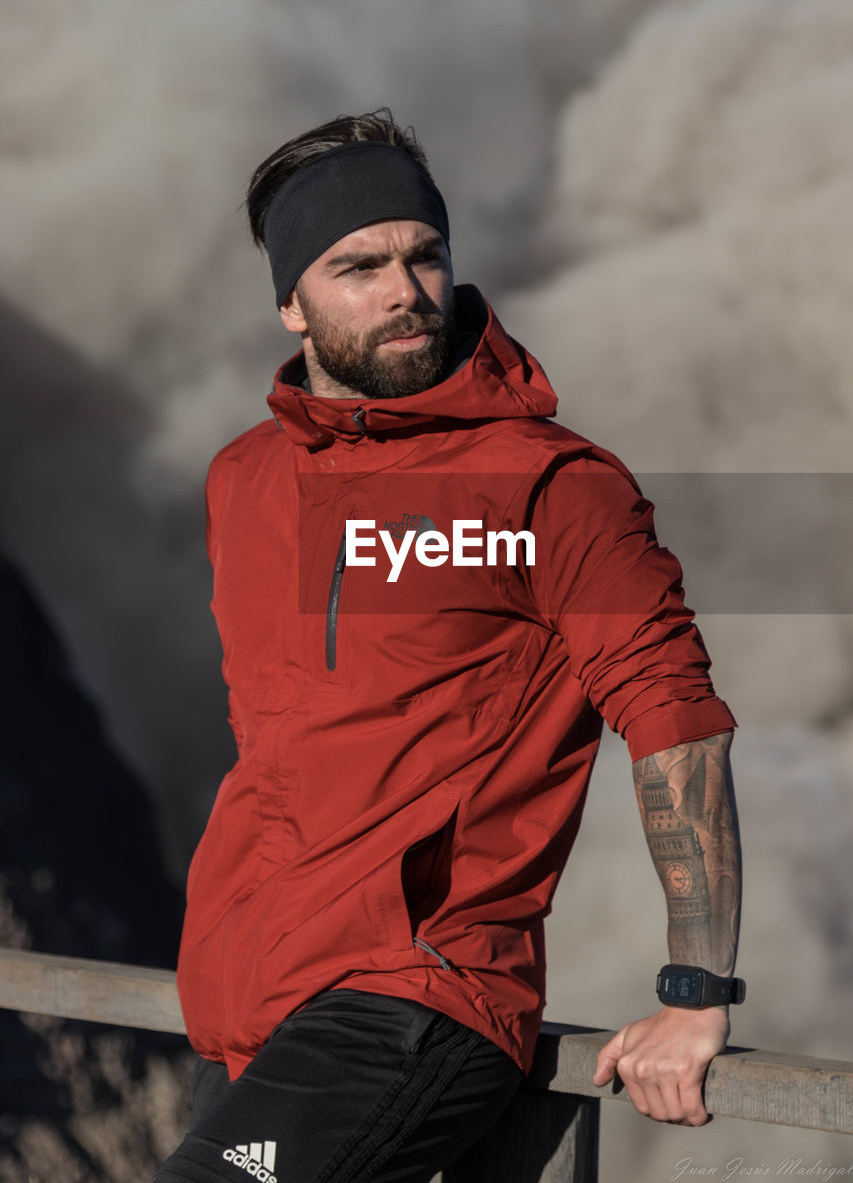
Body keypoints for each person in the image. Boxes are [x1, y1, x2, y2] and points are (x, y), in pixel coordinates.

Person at [154, 110, 742, 1183]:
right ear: (290, 301)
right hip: (242, 998)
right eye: (358, 266)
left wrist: (695, 993)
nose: (404, 290)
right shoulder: (244, 479)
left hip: (413, 992)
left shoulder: (545, 485)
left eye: (424, 255)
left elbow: (674, 717)